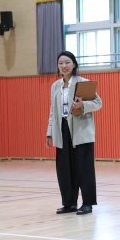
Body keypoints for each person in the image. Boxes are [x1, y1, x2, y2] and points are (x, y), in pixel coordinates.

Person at [46, 51, 102, 216]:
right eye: (61, 63)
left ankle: (87, 203)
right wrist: (50, 132)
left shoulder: (83, 83)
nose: (64, 66)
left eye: (67, 62)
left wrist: (82, 105)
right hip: (61, 129)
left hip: (81, 130)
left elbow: (98, 103)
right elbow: (52, 111)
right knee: (64, 168)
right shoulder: (55, 86)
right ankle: (69, 203)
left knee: (84, 168)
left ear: (74, 64)